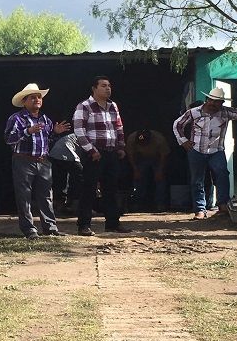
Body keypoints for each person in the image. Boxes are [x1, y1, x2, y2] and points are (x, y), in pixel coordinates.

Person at [173, 87, 237, 219]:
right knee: (197, 180)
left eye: (217, 101)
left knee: (222, 174)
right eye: (211, 100)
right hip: (196, 151)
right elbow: (177, 124)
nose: (213, 103)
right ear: (207, 100)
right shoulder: (194, 112)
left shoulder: (226, 112)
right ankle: (200, 209)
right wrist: (183, 141)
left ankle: (222, 204)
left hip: (216, 151)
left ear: (221, 103)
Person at [4, 83, 70, 239]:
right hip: (23, 160)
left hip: (43, 161)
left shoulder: (45, 119)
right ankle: (29, 229)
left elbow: (47, 140)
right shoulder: (16, 118)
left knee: (46, 196)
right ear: (24, 101)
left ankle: (50, 227)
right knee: (24, 196)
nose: (37, 100)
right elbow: (8, 139)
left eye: (39, 97)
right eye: (32, 97)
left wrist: (55, 132)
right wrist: (28, 131)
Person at [73, 76, 129, 236]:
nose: (108, 88)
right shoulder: (84, 106)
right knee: (89, 190)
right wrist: (91, 150)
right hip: (94, 154)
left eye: (109, 86)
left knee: (111, 190)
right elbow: (79, 130)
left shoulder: (113, 106)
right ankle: (84, 225)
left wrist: (121, 146)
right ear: (94, 88)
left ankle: (112, 224)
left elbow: (118, 127)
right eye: (103, 86)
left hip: (111, 152)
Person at [126, 128, 170, 211]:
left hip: (157, 158)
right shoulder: (131, 139)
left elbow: (163, 155)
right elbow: (130, 155)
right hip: (140, 158)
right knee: (138, 180)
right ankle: (137, 203)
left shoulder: (159, 139)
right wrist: (135, 170)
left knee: (160, 180)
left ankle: (160, 203)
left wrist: (160, 171)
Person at [48, 133, 83, 213]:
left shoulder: (77, 134)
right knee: (79, 177)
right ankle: (74, 203)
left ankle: (59, 204)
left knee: (59, 179)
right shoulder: (87, 135)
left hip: (54, 154)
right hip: (67, 152)